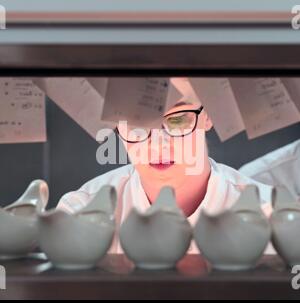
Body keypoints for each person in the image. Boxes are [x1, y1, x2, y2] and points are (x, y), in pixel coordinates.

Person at [57, 78, 274, 254]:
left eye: (177, 120)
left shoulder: (270, 217)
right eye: (137, 123)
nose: (158, 144)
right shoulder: (80, 213)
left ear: (208, 116)